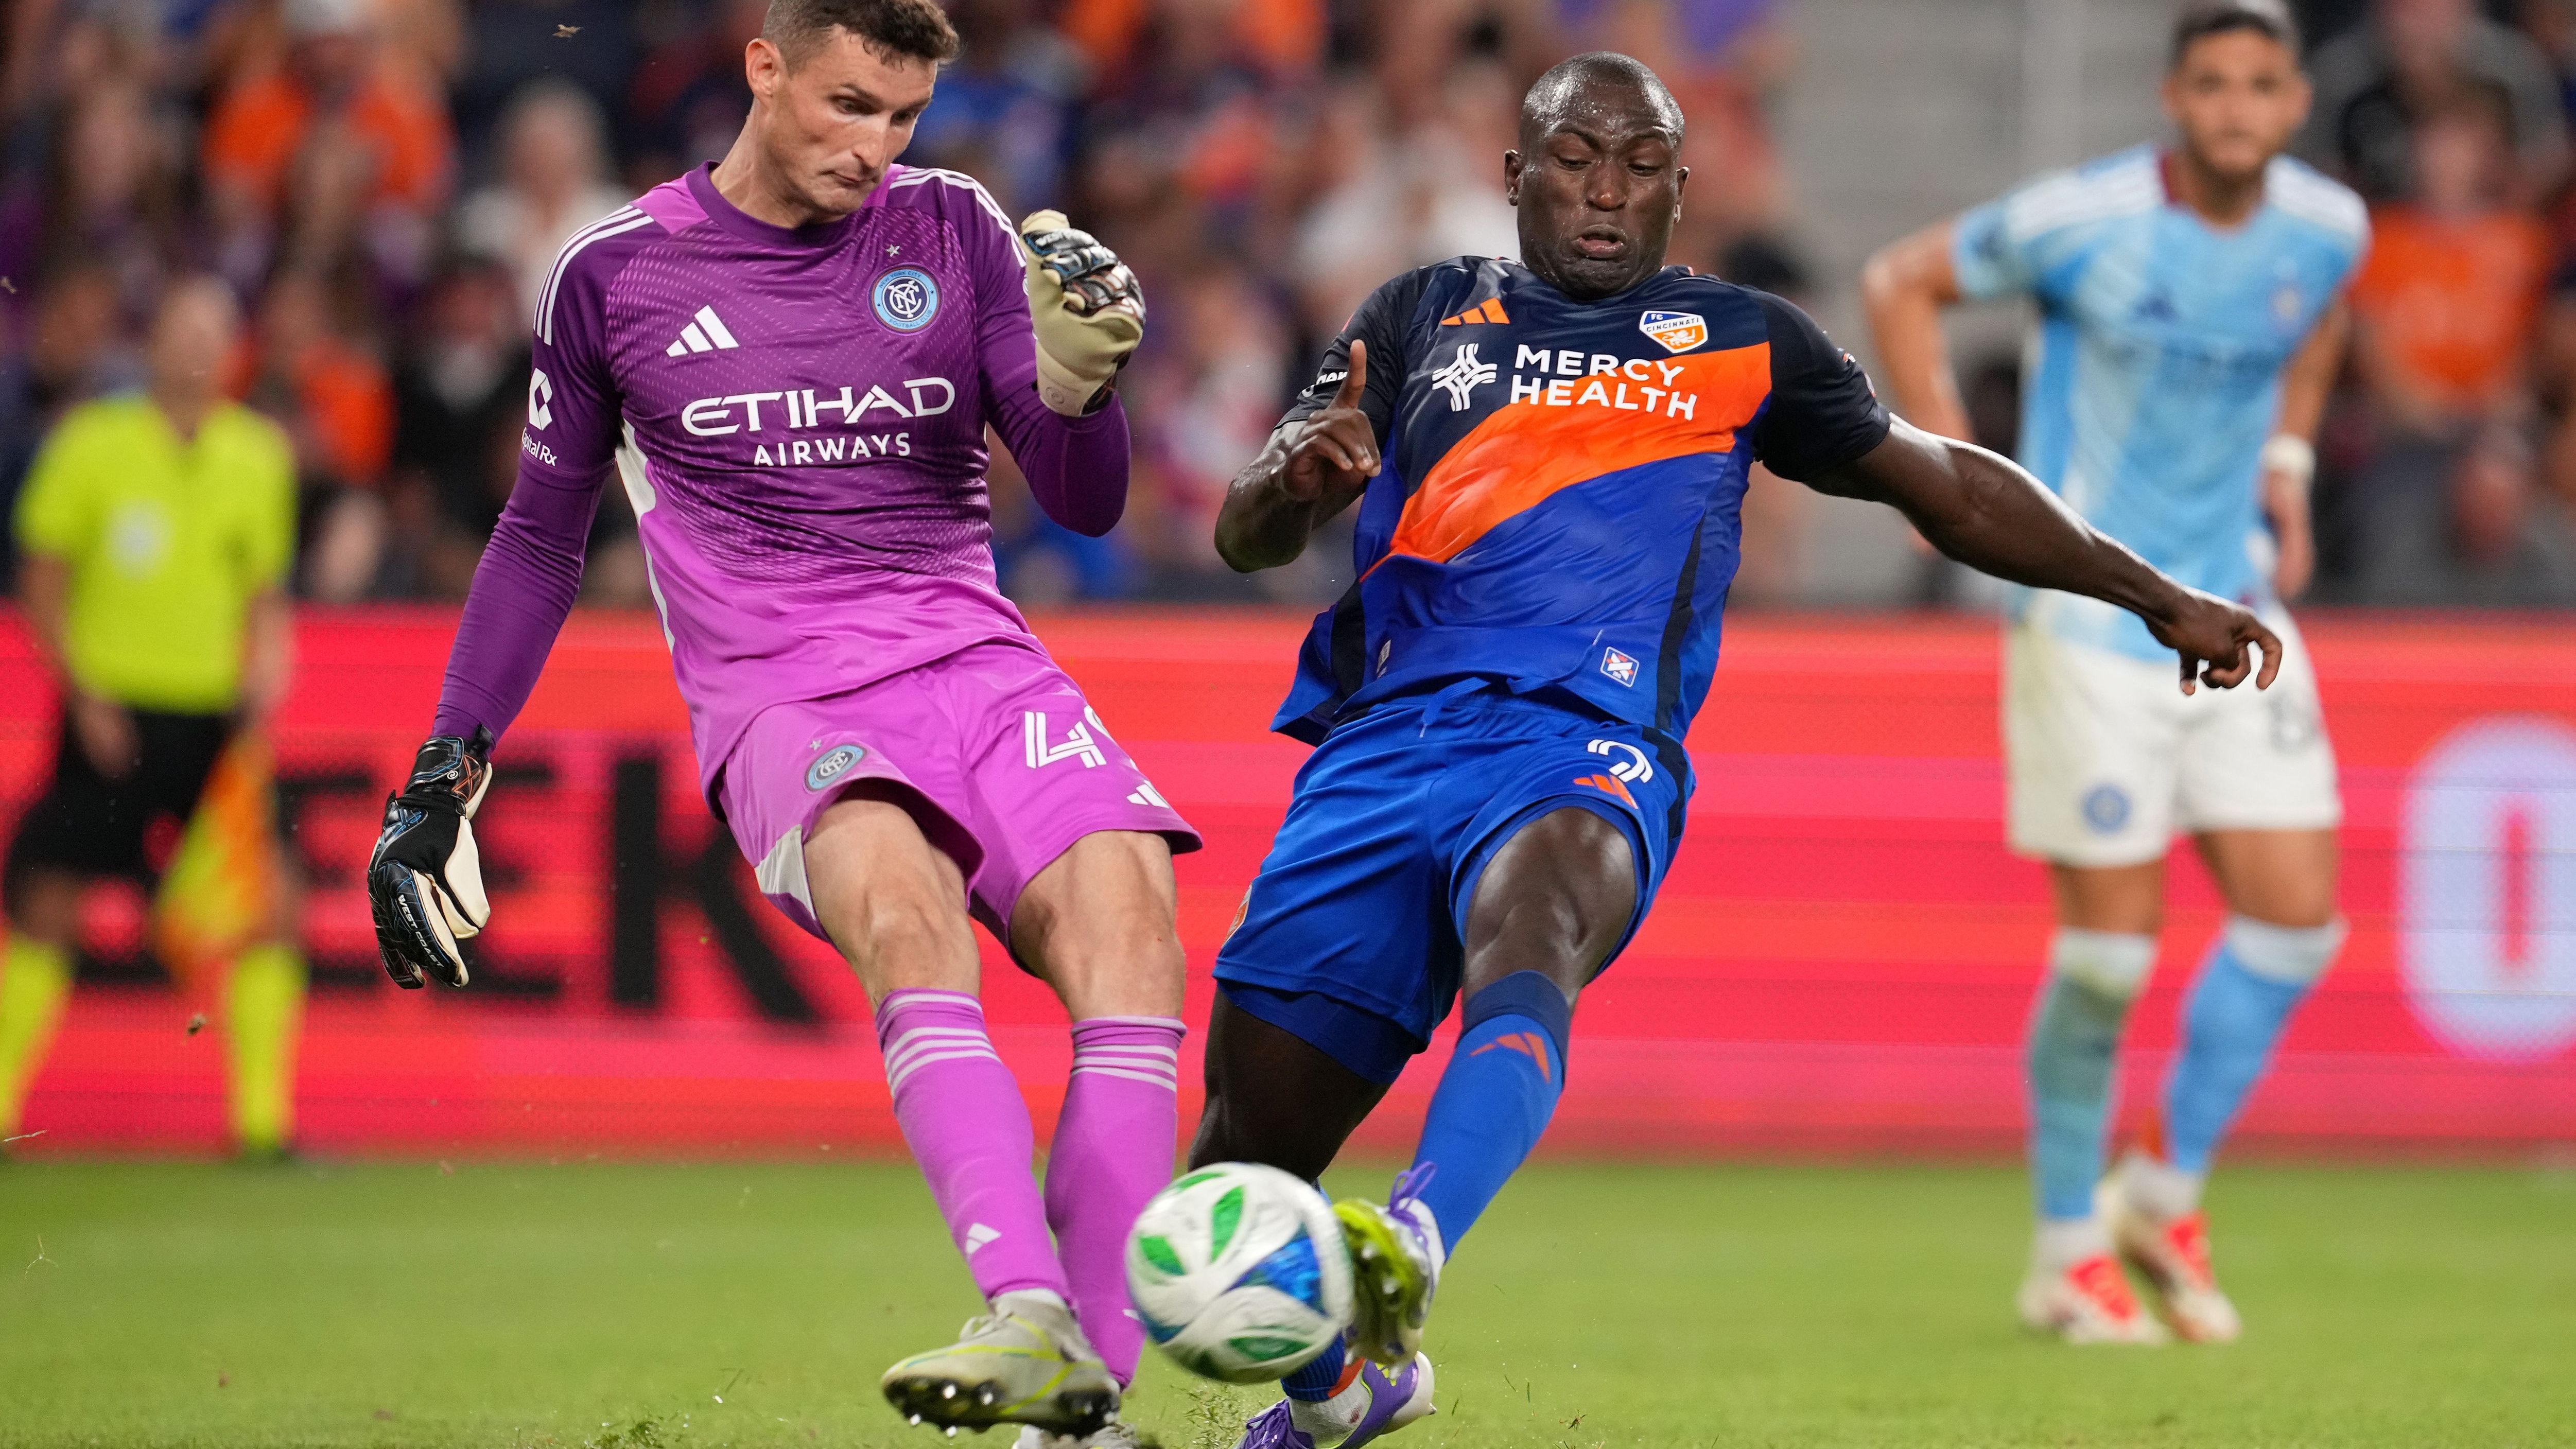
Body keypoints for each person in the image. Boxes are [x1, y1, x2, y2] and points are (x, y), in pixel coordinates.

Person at [1198, 48, 2284, 1449]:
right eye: (1576, 161)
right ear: (1515, 175)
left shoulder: (1742, 339)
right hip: (1379, 755)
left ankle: (1412, 1240)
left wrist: (2152, 593)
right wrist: (1292, 478)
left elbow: (1941, 485)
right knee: (1233, 1178)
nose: (1606, 193)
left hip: (1581, 748)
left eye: (1640, 167)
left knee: (1536, 925)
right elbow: (1247, 530)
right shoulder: (1419, 313)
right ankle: (1343, 1388)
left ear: (1678, 189)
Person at [361, 2, 1193, 1442]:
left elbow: (1083, 496)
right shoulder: (614, 275)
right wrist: (447, 768)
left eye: (902, 118)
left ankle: (1084, 1411)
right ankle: (1030, 1310)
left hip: (977, 661)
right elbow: (541, 538)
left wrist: (1084, 387)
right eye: (848, 106)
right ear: (765, 65)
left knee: (1132, 929)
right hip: (785, 696)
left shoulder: (959, 228)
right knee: (903, 906)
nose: (874, 149)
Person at [1859, 0, 2365, 1345]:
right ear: (2172, 96)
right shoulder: (2080, 221)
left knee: (2293, 923)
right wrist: (1941, 480)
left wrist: (2288, 468)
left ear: (2292, 102)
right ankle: (2064, 1247)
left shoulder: (2325, 232)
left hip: (2240, 607)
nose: (2236, 107)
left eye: (2260, 83)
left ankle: (2160, 1188)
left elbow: (2317, 326)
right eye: (2211, 83)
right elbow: (1898, 280)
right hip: (2096, 622)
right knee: (2104, 961)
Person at [1, 277, 305, 1160]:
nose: (197, 351)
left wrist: (270, 667)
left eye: (215, 333)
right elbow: (43, 580)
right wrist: (84, 692)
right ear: (154, 343)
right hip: (113, 716)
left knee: (270, 902)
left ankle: (262, 1126)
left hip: (214, 720)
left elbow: (264, 594)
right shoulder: (93, 444)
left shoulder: (258, 455)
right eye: (182, 332)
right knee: (47, 900)